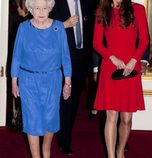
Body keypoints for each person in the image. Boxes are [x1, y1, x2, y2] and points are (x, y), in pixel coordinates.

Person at [11, 0, 72, 158]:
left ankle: (46, 150)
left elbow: (65, 57)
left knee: (50, 118)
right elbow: (16, 56)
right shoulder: (23, 28)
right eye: (37, 8)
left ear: (49, 8)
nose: (41, 12)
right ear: (31, 9)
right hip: (28, 80)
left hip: (52, 80)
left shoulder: (58, 27)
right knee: (32, 119)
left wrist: (68, 82)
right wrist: (13, 81)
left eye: (44, 8)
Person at [93, 0, 149, 158]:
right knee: (111, 115)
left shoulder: (138, 9)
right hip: (111, 66)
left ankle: (120, 150)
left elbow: (144, 39)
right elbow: (97, 43)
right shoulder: (102, 10)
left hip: (131, 66)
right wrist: (112, 58)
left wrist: (134, 60)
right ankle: (111, 155)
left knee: (126, 117)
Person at [50, 0, 99, 155]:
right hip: (61, 59)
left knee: (74, 101)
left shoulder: (88, 4)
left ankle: (64, 133)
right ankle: (64, 141)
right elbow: (44, 29)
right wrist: (64, 25)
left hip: (81, 60)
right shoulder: (54, 4)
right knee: (65, 101)